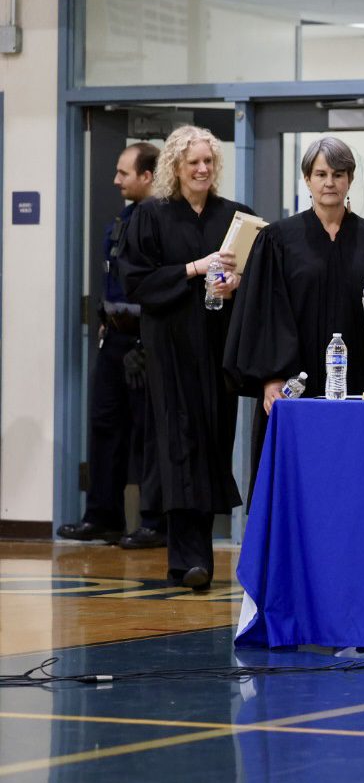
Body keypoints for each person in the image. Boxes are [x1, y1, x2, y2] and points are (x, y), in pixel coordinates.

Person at [226, 136, 364, 475]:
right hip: (296, 389)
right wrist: (269, 380)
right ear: (307, 179)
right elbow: (262, 316)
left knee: (357, 478)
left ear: (350, 179)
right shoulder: (277, 240)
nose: (330, 182)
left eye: (338, 174)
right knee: (298, 480)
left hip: (361, 385)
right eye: (321, 174)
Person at [117, 126, 250, 589]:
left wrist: (234, 286)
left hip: (218, 350)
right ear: (176, 165)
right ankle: (188, 560)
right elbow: (137, 282)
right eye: (193, 161)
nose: (201, 169)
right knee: (178, 445)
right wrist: (196, 268)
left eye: (208, 162)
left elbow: (257, 282)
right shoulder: (150, 217)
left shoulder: (236, 218)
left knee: (212, 443)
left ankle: (198, 560)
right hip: (169, 349)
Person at [57, 143, 166, 548]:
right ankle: (102, 515)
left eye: (124, 173)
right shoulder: (123, 220)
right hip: (116, 336)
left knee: (149, 433)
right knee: (106, 424)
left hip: (146, 339)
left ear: (148, 176)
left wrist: (142, 336)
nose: (116, 180)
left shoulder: (160, 220)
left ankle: (155, 521)